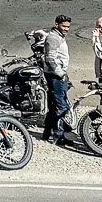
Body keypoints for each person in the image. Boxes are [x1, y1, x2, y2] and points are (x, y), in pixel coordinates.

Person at [40, 14, 74, 145]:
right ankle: (60, 136)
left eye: (68, 27)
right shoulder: (54, 38)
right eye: (64, 26)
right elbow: (50, 59)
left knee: (54, 106)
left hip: (56, 75)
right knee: (61, 106)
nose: (66, 29)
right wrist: (61, 74)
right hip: (55, 76)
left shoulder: (58, 37)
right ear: (56, 24)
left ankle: (47, 134)